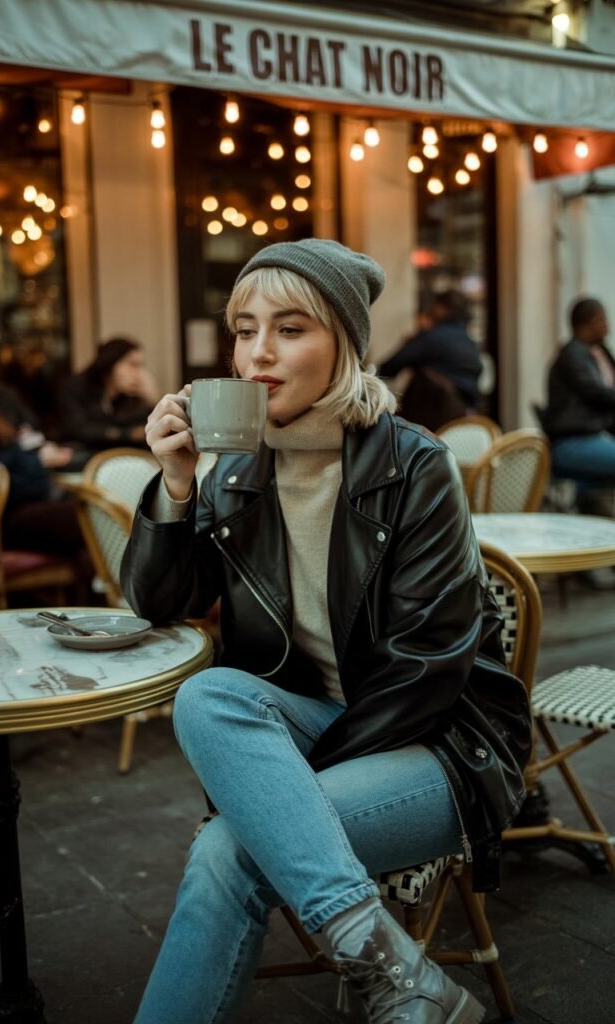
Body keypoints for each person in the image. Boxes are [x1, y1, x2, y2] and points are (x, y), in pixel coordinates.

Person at [121, 239, 531, 1024]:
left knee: (227, 850)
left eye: (290, 328)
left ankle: (390, 975)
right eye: (243, 330)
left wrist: (282, 795)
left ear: (344, 342)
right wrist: (176, 483)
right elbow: (159, 602)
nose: (258, 353)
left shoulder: (416, 466)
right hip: (319, 729)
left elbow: (426, 671)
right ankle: (396, 976)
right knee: (206, 695)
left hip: (441, 747)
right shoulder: (237, 469)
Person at [0, 388, 86, 556]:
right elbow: (4, 489)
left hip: (30, 500)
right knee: (86, 517)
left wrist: (38, 461)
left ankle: (105, 579)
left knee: (87, 525)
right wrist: (38, 462)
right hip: (0, 520)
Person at [541, 297, 615, 508]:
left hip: (589, 439)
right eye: (601, 321)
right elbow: (597, 393)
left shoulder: (592, 353)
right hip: (573, 442)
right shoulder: (573, 355)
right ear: (586, 324)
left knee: (590, 488)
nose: (607, 328)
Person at [379, 290, 483, 432]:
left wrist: (416, 338)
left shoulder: (431, 338)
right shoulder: (469, 343)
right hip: (463, 424)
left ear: (441, 308)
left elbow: (389, 368)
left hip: (433, 424)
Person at [58, 336, 157, 454]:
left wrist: (152, 400)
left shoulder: (130, 395)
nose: (139, 374)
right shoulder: (75, 386)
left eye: (141, 366)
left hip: (119, 458)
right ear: (111, 362)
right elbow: (79, 430)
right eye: (133, 365)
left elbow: (147, 430)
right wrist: (128, 434)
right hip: (82, 456)